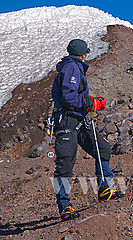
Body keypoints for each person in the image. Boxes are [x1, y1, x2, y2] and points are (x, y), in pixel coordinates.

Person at [51, 38, 122, 219]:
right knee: (65, 163)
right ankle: (64, 206)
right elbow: (69, 97)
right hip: (67, 121)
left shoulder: (72, 67)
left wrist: (90, 102)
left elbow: (73, 96)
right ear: (83, 54)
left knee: (103, 149)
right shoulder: (72, 67)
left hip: (79, 119)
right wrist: (92, 102)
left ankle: (104, 189)